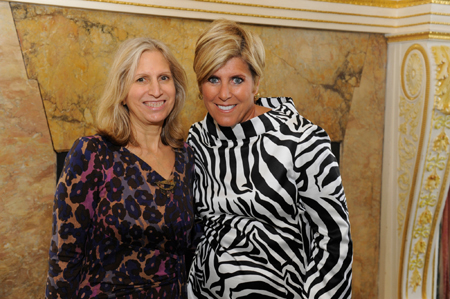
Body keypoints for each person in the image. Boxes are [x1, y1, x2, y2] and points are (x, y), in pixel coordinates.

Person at [187, 19, 353, 298]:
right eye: (213, 79)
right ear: (200, 84)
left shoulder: (301, 141)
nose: (224, 94)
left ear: (256, 82)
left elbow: (334, 239)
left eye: (237, 79)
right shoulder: (198, 140)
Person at [45, 37, 195, 298]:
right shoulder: (92, 154)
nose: (156, 90)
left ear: (176, 87)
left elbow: (186, 253)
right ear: (122, 92)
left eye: (164, 78)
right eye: (141, 79)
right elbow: (64, 257)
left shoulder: (186, 158)